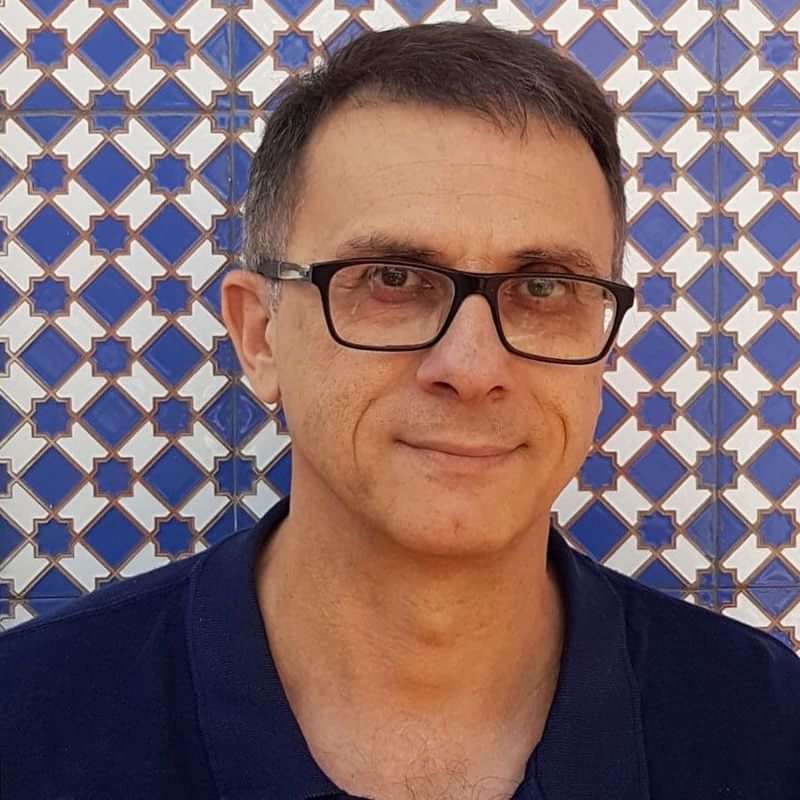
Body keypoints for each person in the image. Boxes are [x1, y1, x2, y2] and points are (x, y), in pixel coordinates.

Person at [1, 20, 799, 800]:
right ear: (259, 336)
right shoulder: (27, 726)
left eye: (545, 289)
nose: (474, 367)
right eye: (391, 280)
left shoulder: (768, 726)